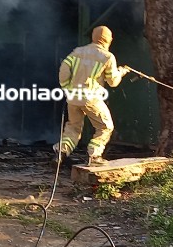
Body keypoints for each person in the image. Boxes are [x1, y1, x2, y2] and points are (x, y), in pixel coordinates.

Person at [54, 25, 127, 167]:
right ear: (107, 40)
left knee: (73, 128)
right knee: (105, 127)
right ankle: (94, 155)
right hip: (91, 98)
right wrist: (121, 72)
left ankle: (60, 153)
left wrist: (67, 88)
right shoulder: (107, 56)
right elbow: (113, 82)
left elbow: (64, 69)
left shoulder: (78, 52)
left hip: (73, 97)